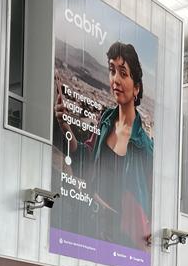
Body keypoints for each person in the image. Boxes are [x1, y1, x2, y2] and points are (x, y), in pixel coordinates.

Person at [55, 42, 154, 248]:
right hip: (91, 223)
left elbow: (150, 203)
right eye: (112, 71)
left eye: (123, 73)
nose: (115, 80)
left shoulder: (144, 147)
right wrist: (65, 125)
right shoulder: (105, 120)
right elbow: (85, 159)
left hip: (121, 239)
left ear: (137, 88)